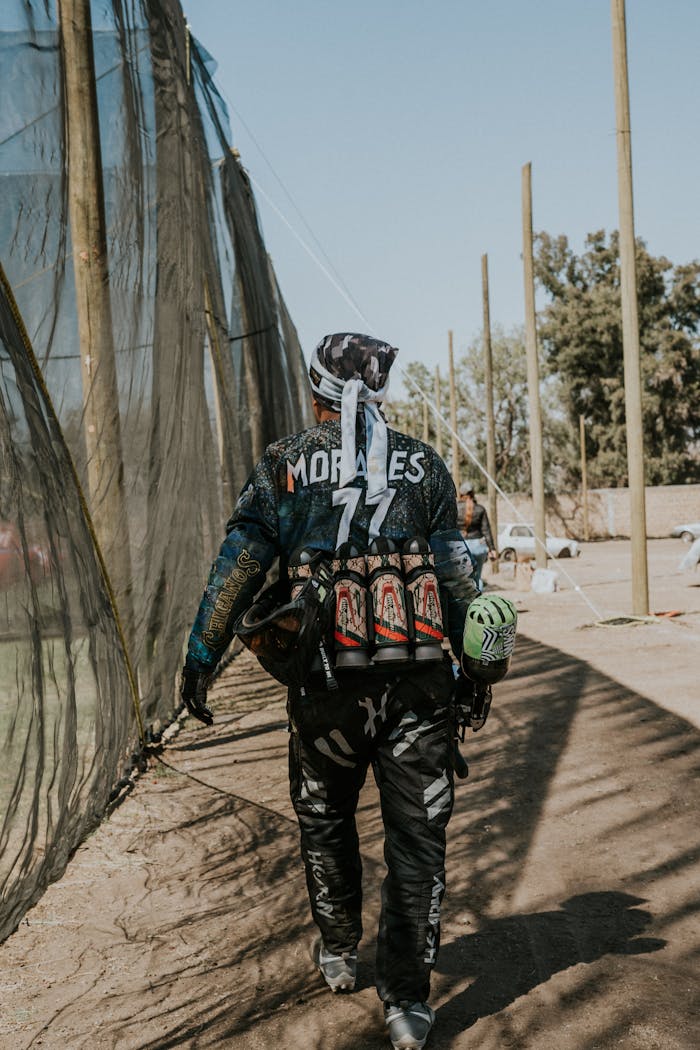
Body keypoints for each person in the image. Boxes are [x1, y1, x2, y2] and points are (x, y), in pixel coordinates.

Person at [180, 332, 481, 1050]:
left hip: (324, 695)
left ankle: (342, 947)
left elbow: (239, 568)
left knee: (326, 819)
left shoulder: (285, 465)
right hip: (420, 693)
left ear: (314, 393)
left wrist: (200, 656)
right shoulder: (425, 465)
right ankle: (407, 1000)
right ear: (378, 394)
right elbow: (459, 585)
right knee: (417, 839)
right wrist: (476, 671)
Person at [458, 482, 498, 592]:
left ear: (461, 494)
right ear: (473, 494)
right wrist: (492, 549)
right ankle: (478, 604)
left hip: (461, 546)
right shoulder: (480, 509)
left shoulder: (455, 508)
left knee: (463, 578)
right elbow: (486, 530)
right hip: (478, 546)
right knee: (477, 577)